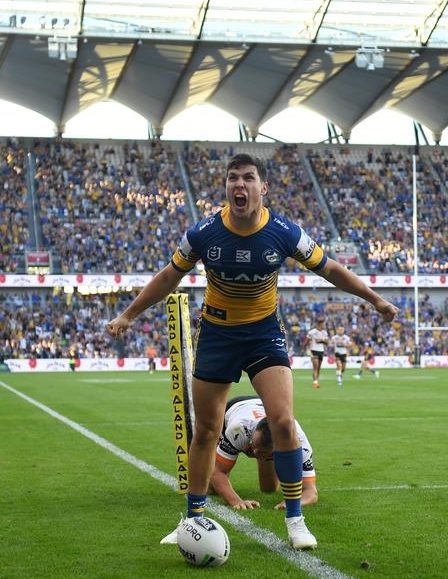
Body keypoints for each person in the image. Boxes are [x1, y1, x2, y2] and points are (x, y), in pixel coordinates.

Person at [106, 153, 398, 550]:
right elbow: (169, 275)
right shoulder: (204, 233)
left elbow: (330, 269)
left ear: (264, 187)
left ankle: (295, 521)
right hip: (217, 334)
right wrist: (128, 314)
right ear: (226, 187)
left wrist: (375, 299)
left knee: (283, 421)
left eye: (247, 178)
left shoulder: (285, 232)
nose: (239, 185)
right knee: (206, 431)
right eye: (233, 179)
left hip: (263, 335)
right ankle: (192, 519)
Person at [210, 396, 317, 510]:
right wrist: (236, 501)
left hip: (261, 427)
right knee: (211, 488)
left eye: (261, 452)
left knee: (269, 488)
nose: (253, 452)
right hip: (234, 410)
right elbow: (218, 472)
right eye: (253, 445)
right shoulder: (238, 429)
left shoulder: (299, 444)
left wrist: (293, 503)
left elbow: (310, 491)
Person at [305, 317, 329, 388]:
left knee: (318, 368)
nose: (324, 325)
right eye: (323, 324)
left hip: (321, 351)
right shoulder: (312, 332)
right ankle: (315, 383)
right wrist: (306, 349)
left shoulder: (324, 332)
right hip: (314, 350)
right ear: (319, 324)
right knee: (315, 367)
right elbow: (306, 341)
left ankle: (316, 381)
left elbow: (327, 342)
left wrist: (321, 341)